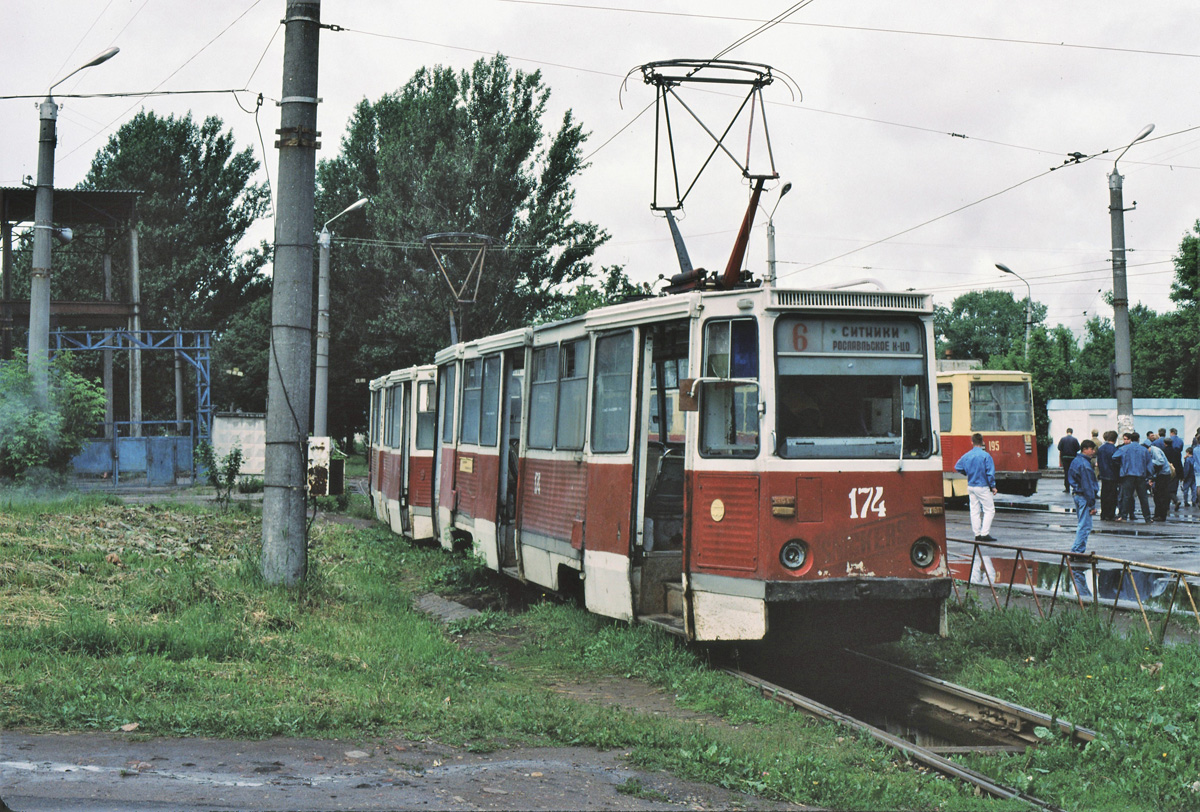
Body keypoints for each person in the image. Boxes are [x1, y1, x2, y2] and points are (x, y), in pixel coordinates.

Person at [1067, 439, 1099, 597]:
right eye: (1092, 449)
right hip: (1084, 496)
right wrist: (1092, 503)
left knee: (1082, 524)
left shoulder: (1076, 461)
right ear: (1086, 449)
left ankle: (1077, 551)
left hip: (1077, 495)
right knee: (1085, 526)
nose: (1093, 452)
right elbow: (1087, 485)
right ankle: (1077, 552)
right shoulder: (1085, 465)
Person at [955, 433, 997, 542]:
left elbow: (957, 466)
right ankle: (985, 533)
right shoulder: (986, 456)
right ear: (982, 442)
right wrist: (993, 486)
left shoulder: (967, 455)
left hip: (971, 486)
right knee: (989, 510)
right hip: (982, 486)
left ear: (972, 442)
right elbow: (990, 474)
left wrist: (967, 473)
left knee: (974, 510)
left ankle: (977, 534)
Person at [1113, 431, 1153, 523]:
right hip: (1141, 475)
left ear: (1130, 439)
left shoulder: (1124, 448)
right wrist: (1150, 476)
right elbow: (1149, 464)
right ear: (1138, 439)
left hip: (1128, 475)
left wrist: (1122, 465)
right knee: (1143, 497)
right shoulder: (1144, 450)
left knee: (1126, 496)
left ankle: (1124, 516)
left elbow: (1114, 457)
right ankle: (1147, 518)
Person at [1096, 430, 1119, 521]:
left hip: (1103, 474)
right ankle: (1110, 514)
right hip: (1112, 475)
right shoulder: (1114, 449)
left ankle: (1104, 513)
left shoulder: (1101, 448)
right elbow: (1116, 463)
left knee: (1104, 494)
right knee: (1112, 496)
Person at [1149, 439, 1173, 521]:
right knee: (1158, 495)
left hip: (1163, 475)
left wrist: (1150, 461)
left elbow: (1160, 462)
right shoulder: (1154, 450)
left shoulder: (1155, 451)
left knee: (1160, 495)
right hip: (1161, 475)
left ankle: (1161, 515)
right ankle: (1158, 514)